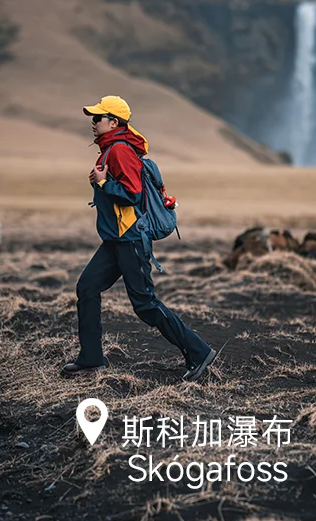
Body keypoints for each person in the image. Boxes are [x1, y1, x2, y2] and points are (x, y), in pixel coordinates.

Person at [61, 96, 216, 382]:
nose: (93, 123)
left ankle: (199, 352)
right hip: (116, 240)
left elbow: (132, 193)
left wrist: (104, 183)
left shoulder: (119, 150)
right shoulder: (112, 150)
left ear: (114, 122)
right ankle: (91, 359)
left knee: (145, 304)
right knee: (87, 287)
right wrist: (101, 182)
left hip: (130, 239)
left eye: (97, 118)